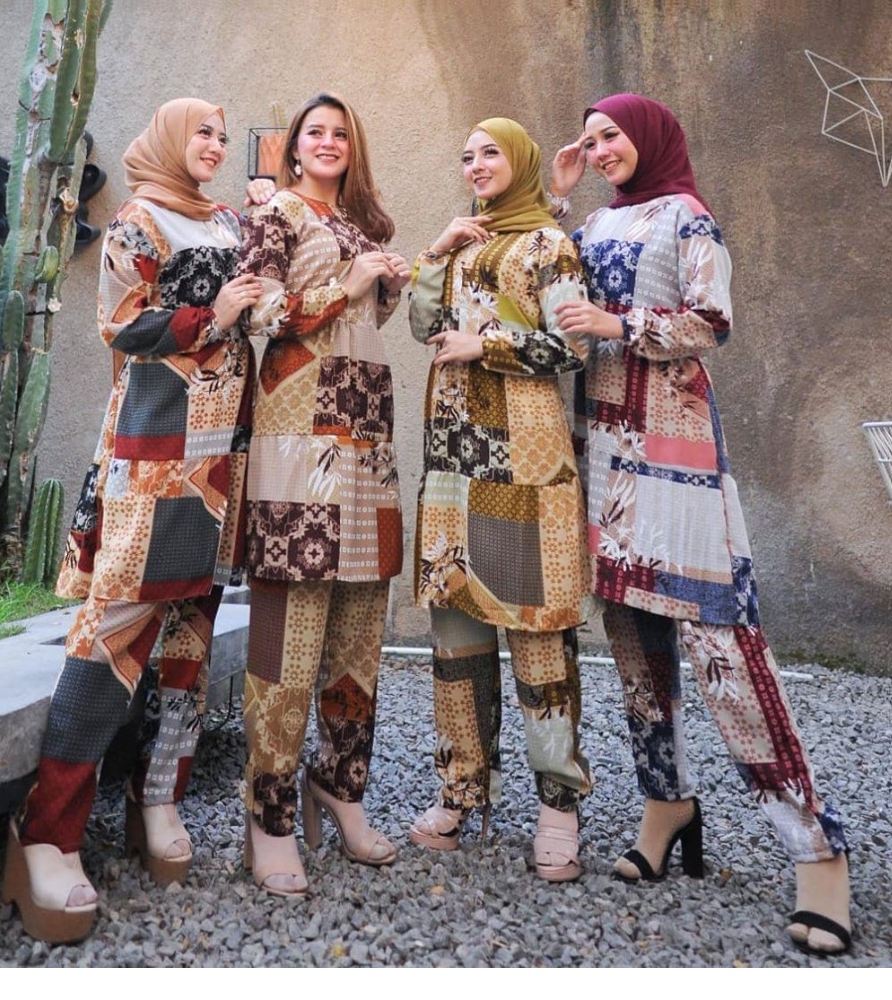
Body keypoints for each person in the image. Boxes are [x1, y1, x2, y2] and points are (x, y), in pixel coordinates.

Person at [549, 93, 851, 953]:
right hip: (602, 451)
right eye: (591, 139)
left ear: (648, 137)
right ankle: (666, 804)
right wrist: (559, 201)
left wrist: (619, 323)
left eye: (612, 136)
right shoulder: (595, 225)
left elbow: (713, 322)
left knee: (724, 647)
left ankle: (817, 848)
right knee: (632, 639)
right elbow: (554, 299)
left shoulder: (688, 216)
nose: (600, 150)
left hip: (674, 455)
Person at [1, 98, 263, 944]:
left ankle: (159, 797)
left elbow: (260, 309)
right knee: (110, 634)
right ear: (168, 140)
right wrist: (214, 317)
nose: (215, 144)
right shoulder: (138, 220)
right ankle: (48, 832)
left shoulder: (226, 219)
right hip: (157, 453)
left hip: (225, 455)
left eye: (221, 133)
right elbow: (118, 326)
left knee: (191, 631)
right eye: (202, 132)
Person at [407, 118, 594, 882]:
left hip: (525, 466)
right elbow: (422, 325)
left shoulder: (549, 245)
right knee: (456, 639)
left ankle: (559, 804)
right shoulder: (464, 242)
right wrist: (436, 252)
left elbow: (573, 346)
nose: (476, 165)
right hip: (454, 465)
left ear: (518, 161)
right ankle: (461, 790)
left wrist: (484, 344)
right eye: (466, 155)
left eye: (490, 153)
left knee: (538, 637)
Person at [236, 92, 409, 897]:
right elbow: (257, 310)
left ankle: (340, 789)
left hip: (367, 446)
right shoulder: (277, 215)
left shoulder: (363, 225)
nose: (330, 141)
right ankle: (268, 816)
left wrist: (384, 275)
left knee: (358, 633)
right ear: (295, 148)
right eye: (316, 132)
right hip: (297, 446)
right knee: (287, 637)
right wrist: (348, 283)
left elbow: (370, 320)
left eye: (342, 132)